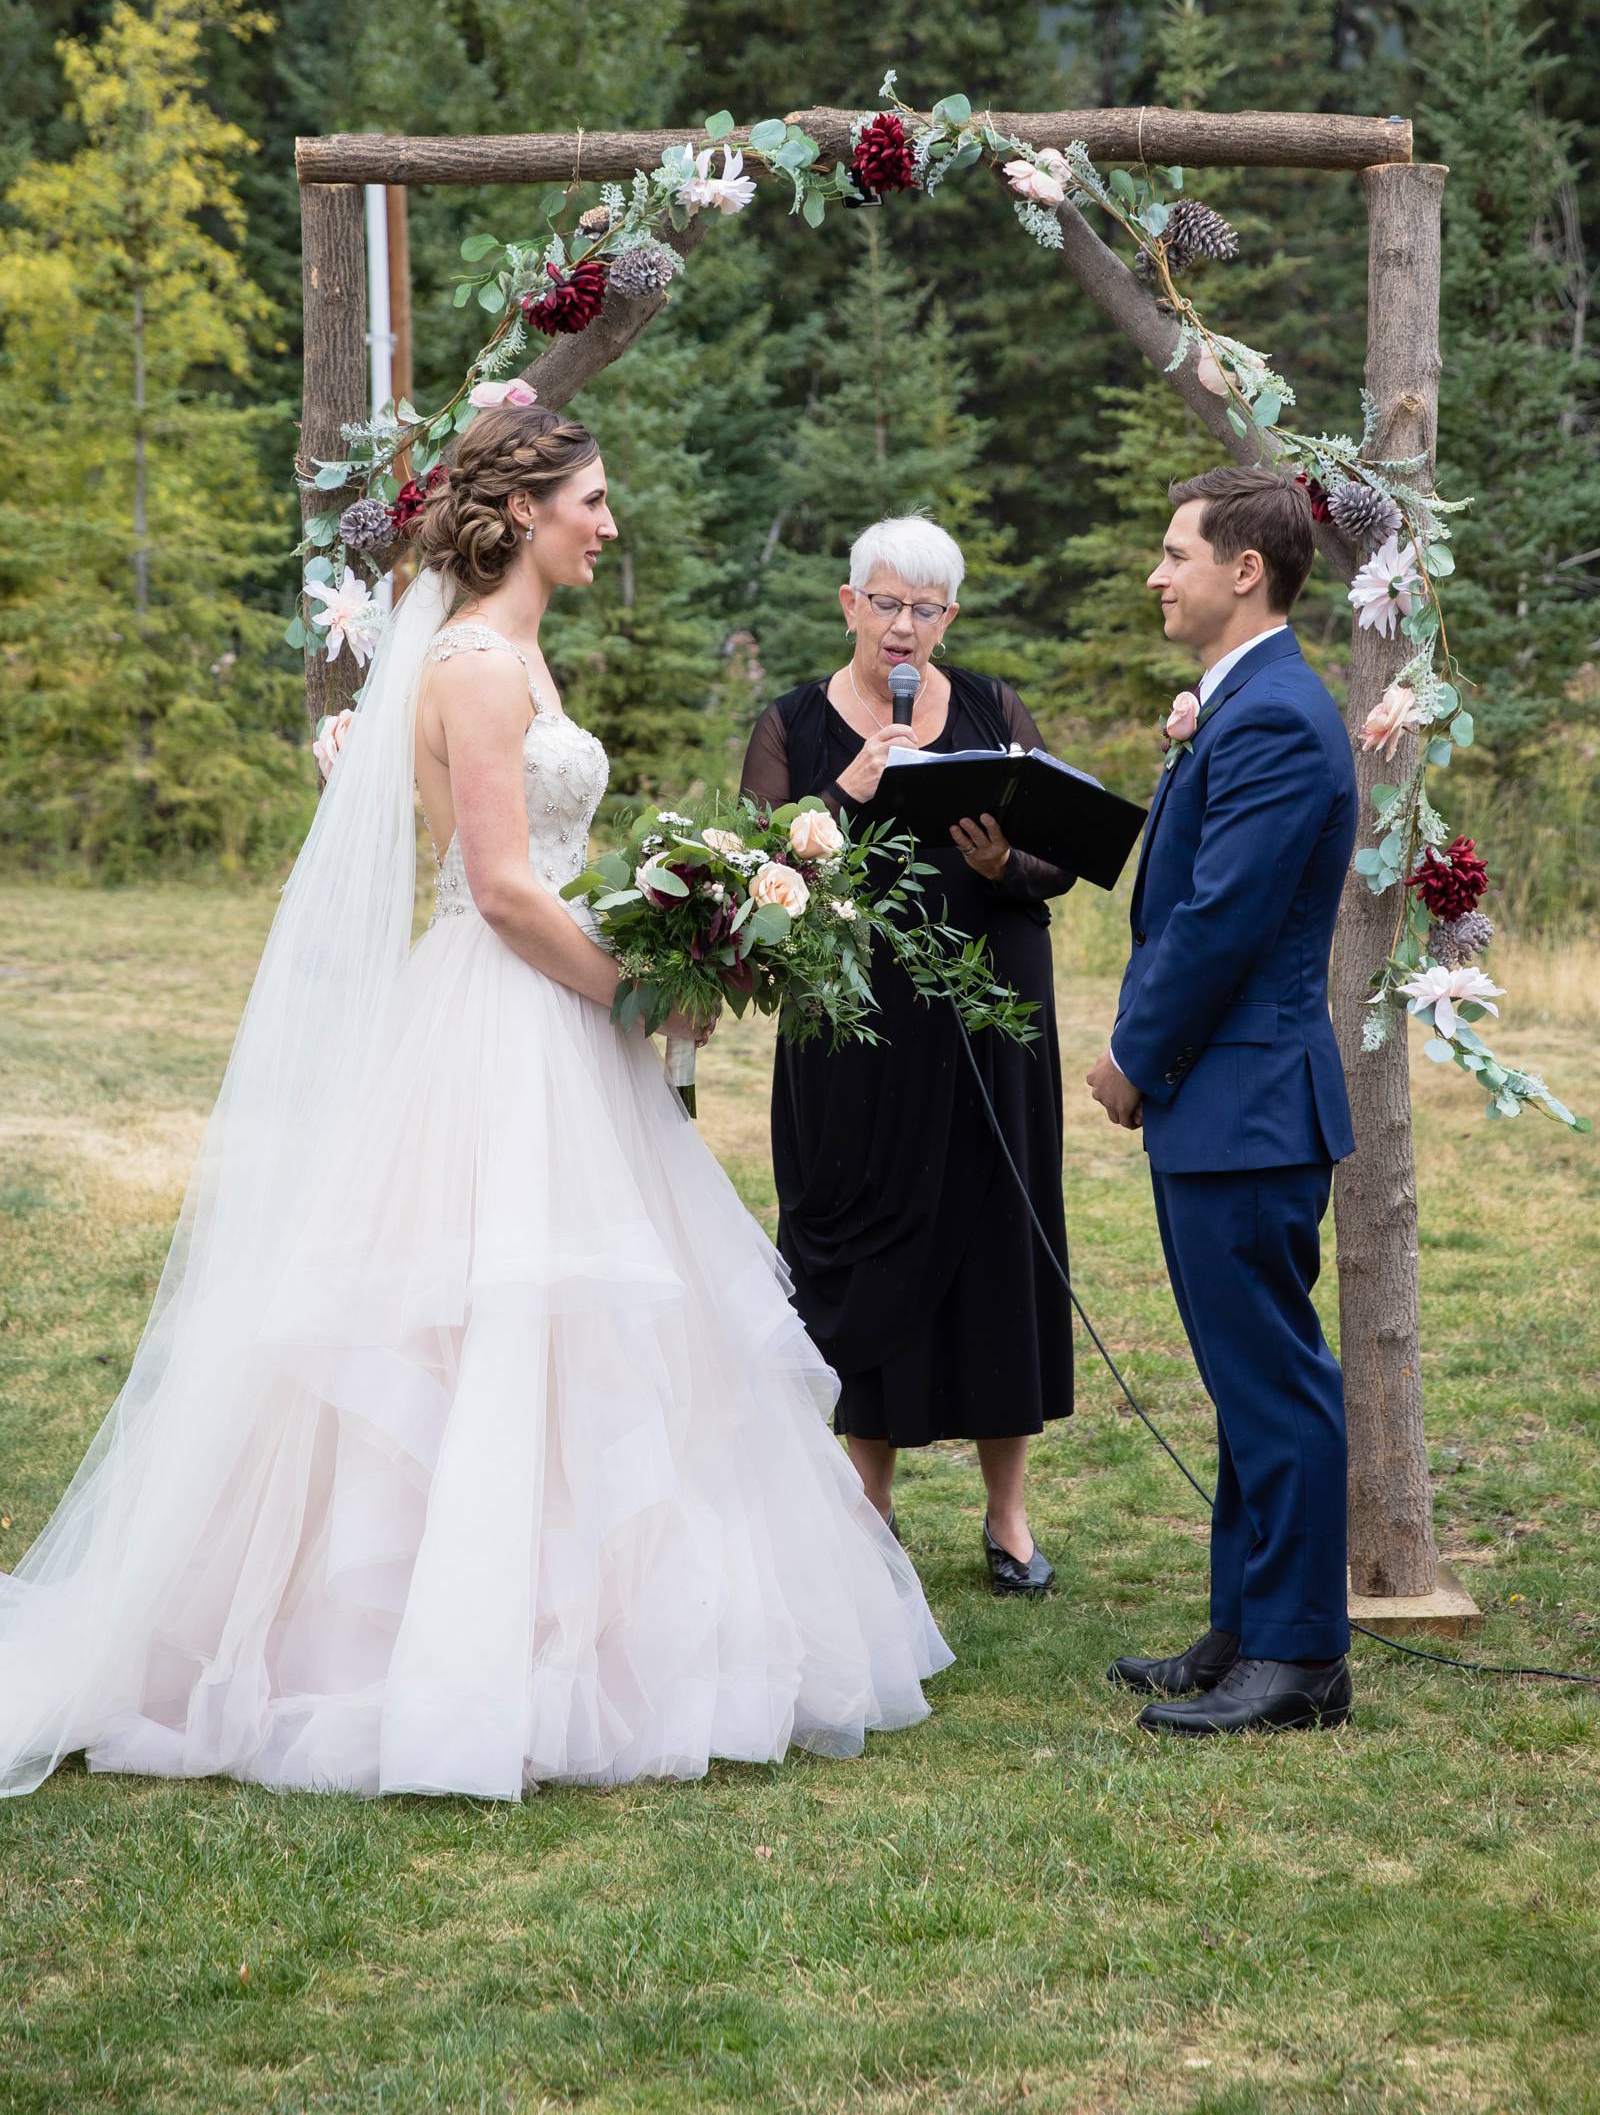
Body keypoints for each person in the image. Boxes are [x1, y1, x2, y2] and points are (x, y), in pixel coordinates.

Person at [0, 403, 950, 1802]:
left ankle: (586, 1625)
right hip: (505, 1012)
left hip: (549, 1002)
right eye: (594, 501)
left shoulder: (519, 651)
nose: (610, 524)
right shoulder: (478, 664)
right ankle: (431, 1644)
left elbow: (544, 872)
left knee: (585, 1321)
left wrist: (666, 941)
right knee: (482, 1311)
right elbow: (502, 888)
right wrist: (632, 997)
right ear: (523, 512)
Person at [740, 513, 1075, 1597]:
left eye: (925, 609)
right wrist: (850, 795)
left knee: (996, 1236)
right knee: (859, 1237)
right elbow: (755, 874)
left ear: (950, 618)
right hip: (855, 1028)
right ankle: (867, 1499)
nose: (902, 627)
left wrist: (1002, 857)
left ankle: (1008, 1514)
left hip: (988, 1012)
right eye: (885, 603)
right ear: (848, 605)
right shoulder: (791, 722)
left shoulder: (990, 708)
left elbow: (1058, 854)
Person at [1087, 465, 1358, 1737]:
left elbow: (1220, 921)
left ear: (1243, 570)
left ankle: (1298, 1659)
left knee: (1273, 1380)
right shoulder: (1243, 704)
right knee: (1240, 1372)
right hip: (1228, 1100)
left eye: (1173, 551)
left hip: (1245, 1096)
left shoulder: (1276, 718)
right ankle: (1243, 1625)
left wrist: (1132, 1056)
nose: (1156, 573)